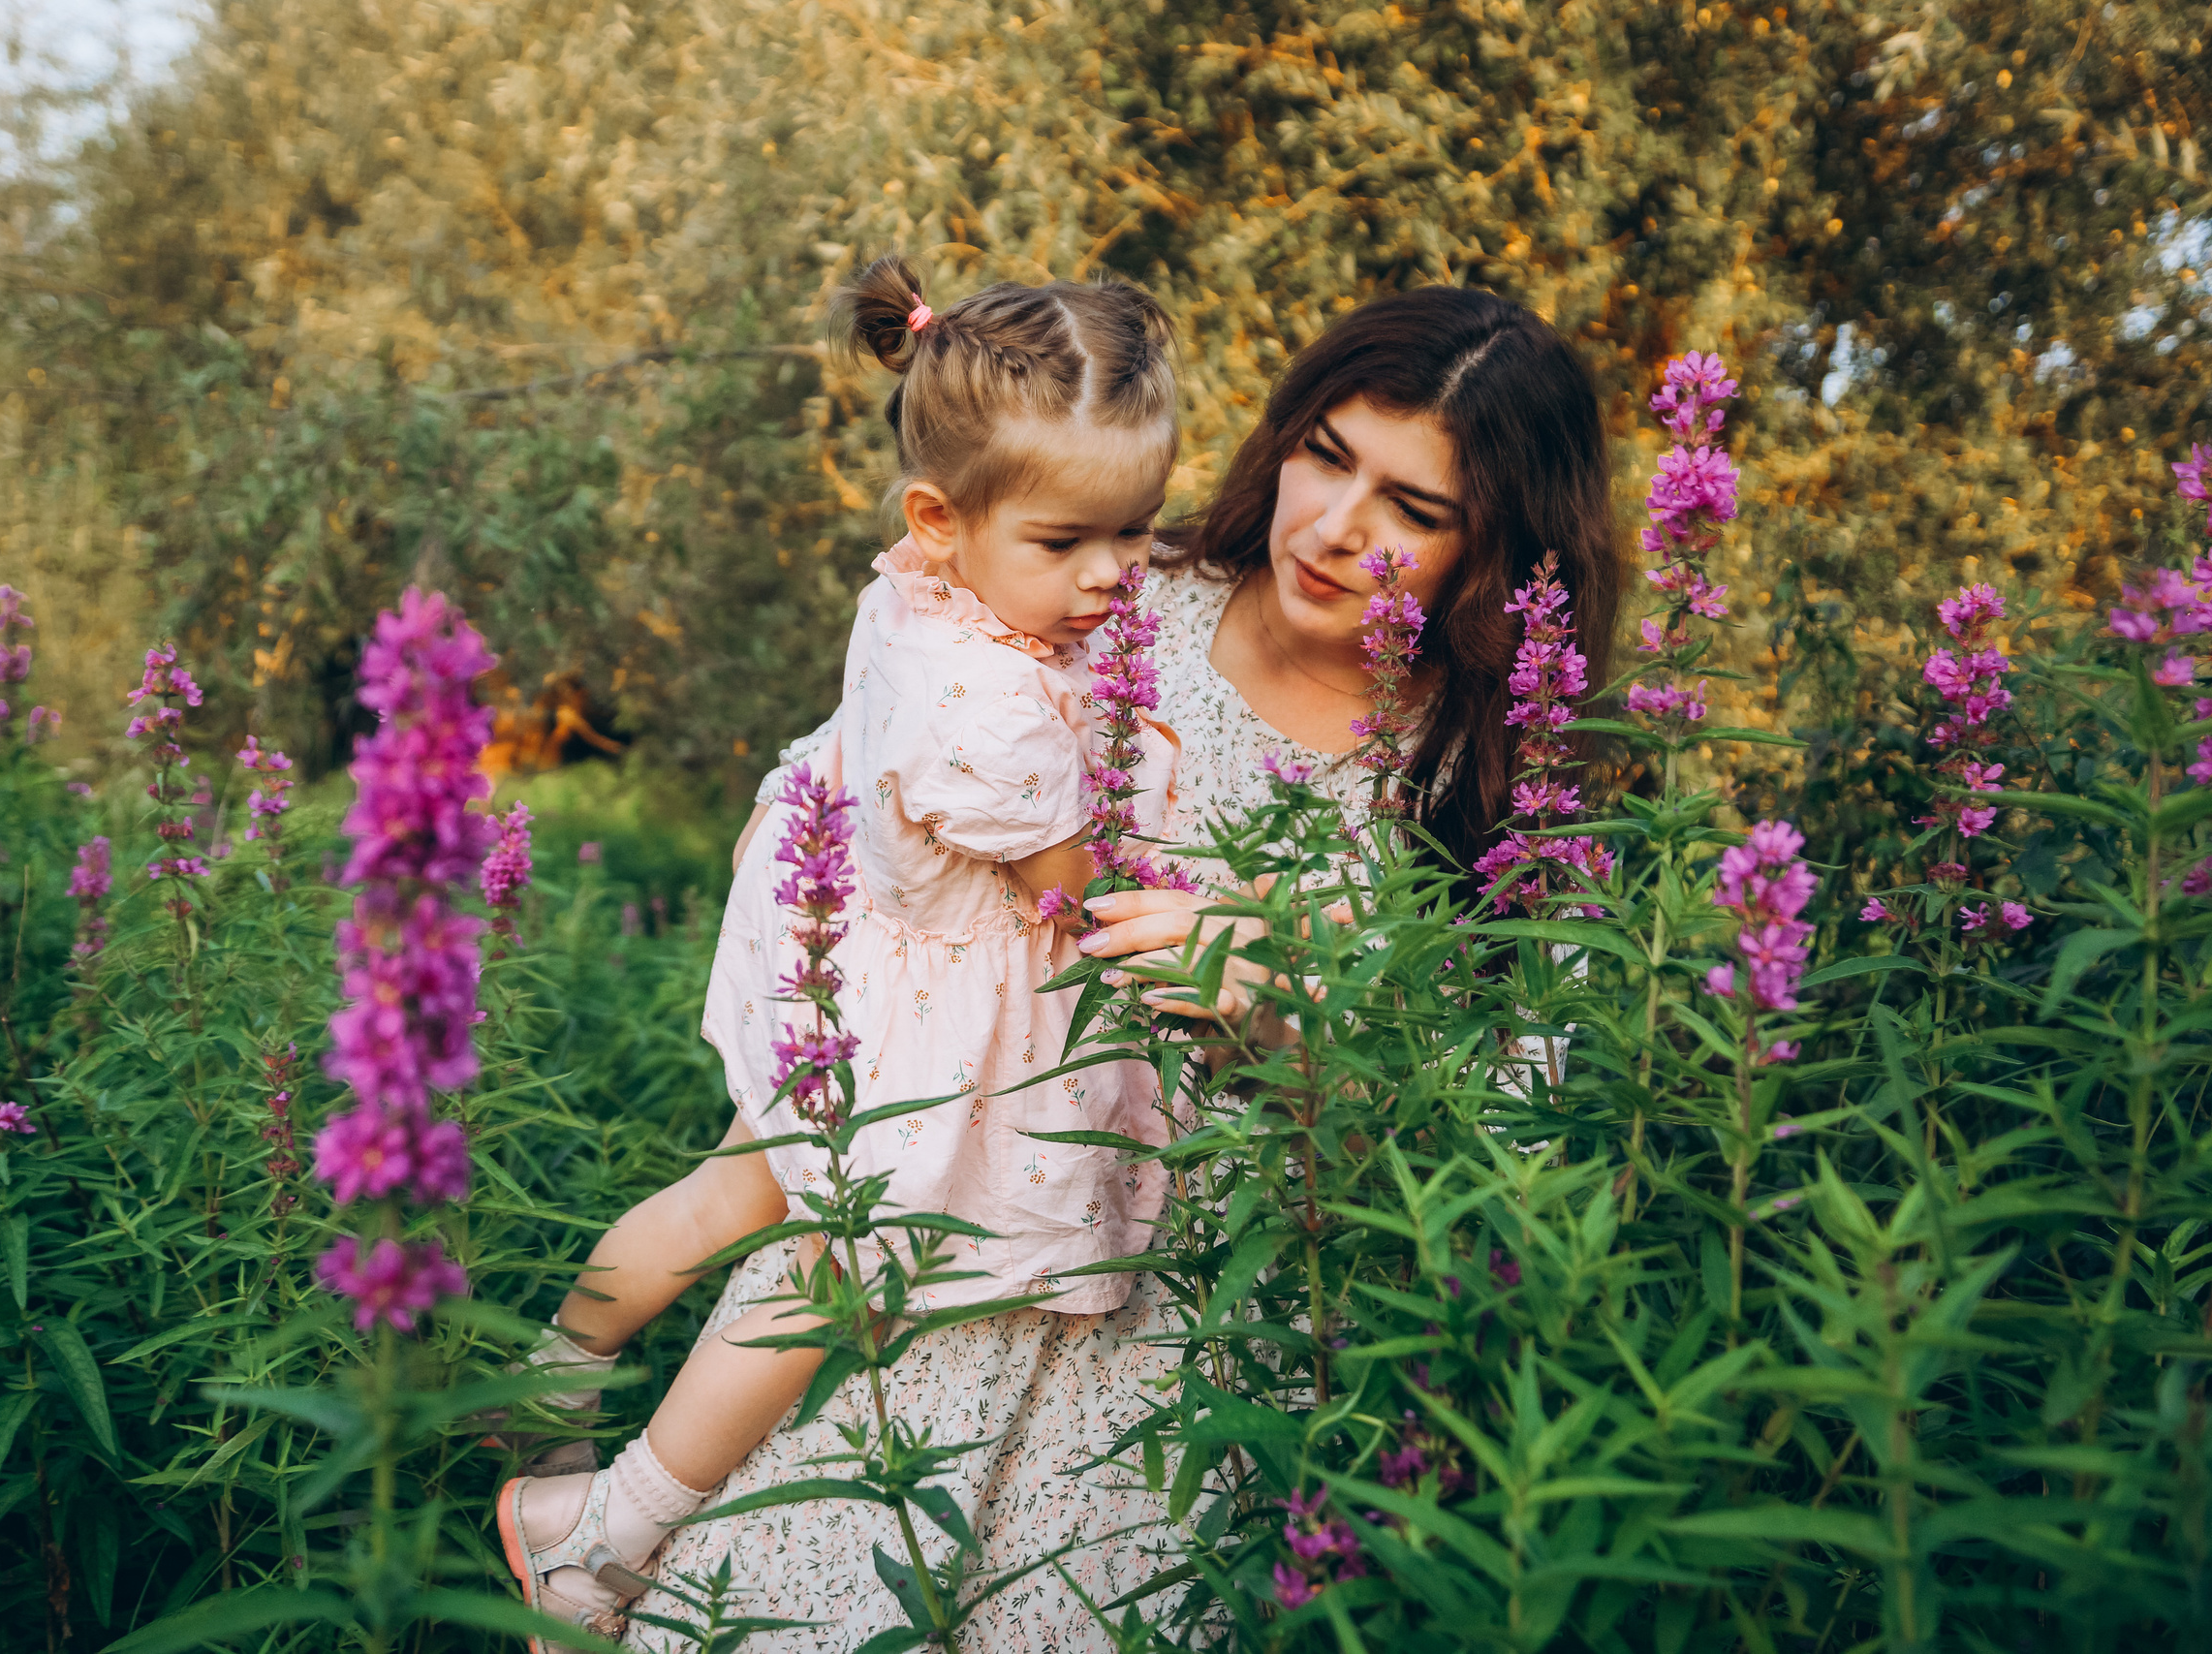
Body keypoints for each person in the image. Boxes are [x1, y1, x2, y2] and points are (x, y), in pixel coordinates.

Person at [624, 284, 1624, 1652]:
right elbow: (855, 769)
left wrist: (1291, 1008)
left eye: (1415, 508)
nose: (1335, 526)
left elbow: (1508, 1146)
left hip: (1189, 1385)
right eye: (1326, 455)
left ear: (1498, 551)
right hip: (932, 1278)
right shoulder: (1107, 595)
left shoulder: (1502, 799)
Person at [495, 254, 1187, 1632]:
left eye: (1141, 529)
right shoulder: (984, 708)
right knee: (827, 1270)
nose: (1118, 574)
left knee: (732, 1193)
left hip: (857, 967)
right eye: (1072, 544)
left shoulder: (929, 588)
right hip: (917, 1029)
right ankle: (597, 1537)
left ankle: (552, 1373)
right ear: (941, 517)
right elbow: (1082, 887)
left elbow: (860, 721)